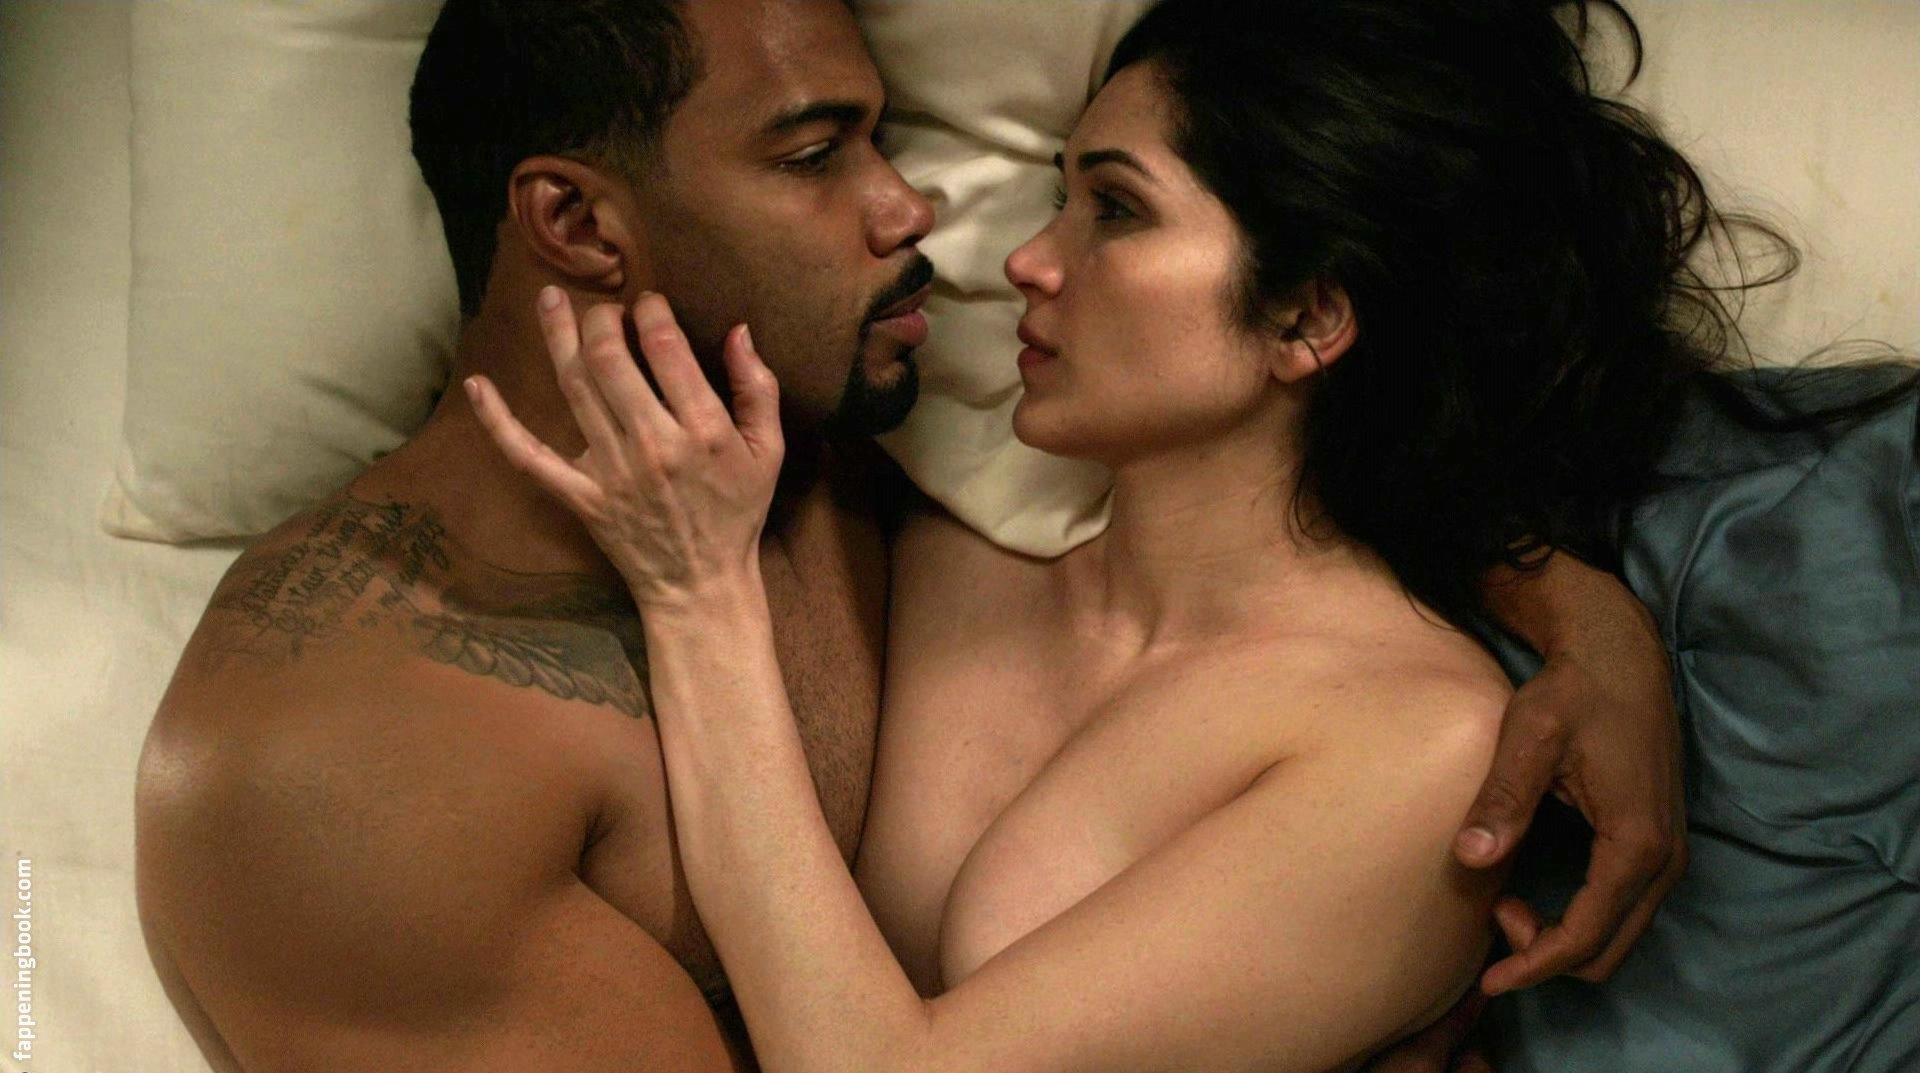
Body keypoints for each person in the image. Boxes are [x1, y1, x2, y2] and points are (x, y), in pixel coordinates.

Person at [136, 1, 1676, 1070]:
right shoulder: (938, 523)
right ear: (581, 224)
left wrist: (1584, 614)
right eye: (817, 154)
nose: (955, 229)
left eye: (1111, 209)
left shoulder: (883, 488)